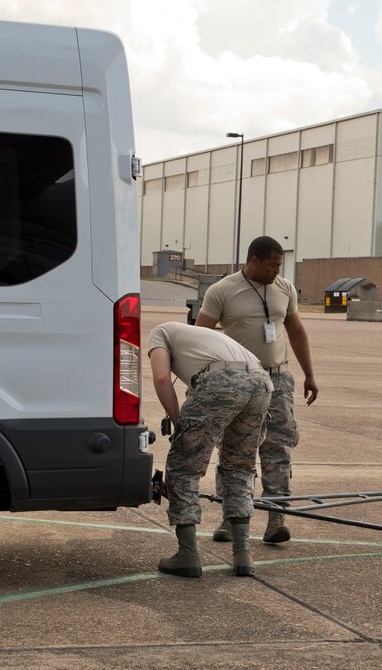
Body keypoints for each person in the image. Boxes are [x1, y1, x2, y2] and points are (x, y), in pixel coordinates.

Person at [196, 236, 318, 544]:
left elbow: (297, 331)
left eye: (280, 265)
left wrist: (309, 375)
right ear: (253, 261)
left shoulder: (284, 289)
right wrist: (196, 382)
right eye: (272, 265)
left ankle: (276, 516)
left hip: (277, 379)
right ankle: (231, 517)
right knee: (236, 450)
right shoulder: (222, 291)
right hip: (237, 381)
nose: (277, 271)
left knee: (278, 447)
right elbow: (199, 338)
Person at [148, 321, 273, 578]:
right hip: (261, 382)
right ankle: (242, 554)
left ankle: (188, 554)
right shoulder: (200, 338)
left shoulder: (159, 333)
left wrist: (178, 423)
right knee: (239, 465)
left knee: (183, 468)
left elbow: (162, 378)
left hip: (221, 380)